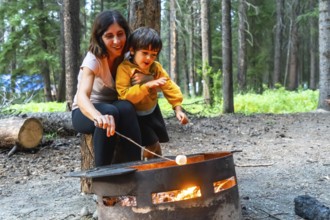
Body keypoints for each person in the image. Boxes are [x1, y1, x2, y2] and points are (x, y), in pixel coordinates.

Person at [71, 10, 148, 166]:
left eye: (120, 34)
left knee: (126, 107)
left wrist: (148, 78)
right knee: (108, 112)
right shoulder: (93, 58)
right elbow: (82, 97)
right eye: (109, 36)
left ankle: (134, 170)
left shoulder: (129, 56)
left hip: (115, 106)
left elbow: (152, 82)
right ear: (100, 38)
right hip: (85, 111)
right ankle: (103, 175)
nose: (116, 41)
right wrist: (97, 116)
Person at [116, 27, 189, 159]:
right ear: (132, 50)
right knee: (150, 141)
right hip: (135, 116)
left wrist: (178, 109)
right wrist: (147, 85)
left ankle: (154, 166)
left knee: (155, 144)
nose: (149, 58)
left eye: (153, 54)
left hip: (152, 111)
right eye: (144, 53)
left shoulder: (155, 68)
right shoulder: (125, 69)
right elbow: (124, 95)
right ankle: (145, 167)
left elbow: (169, 86)